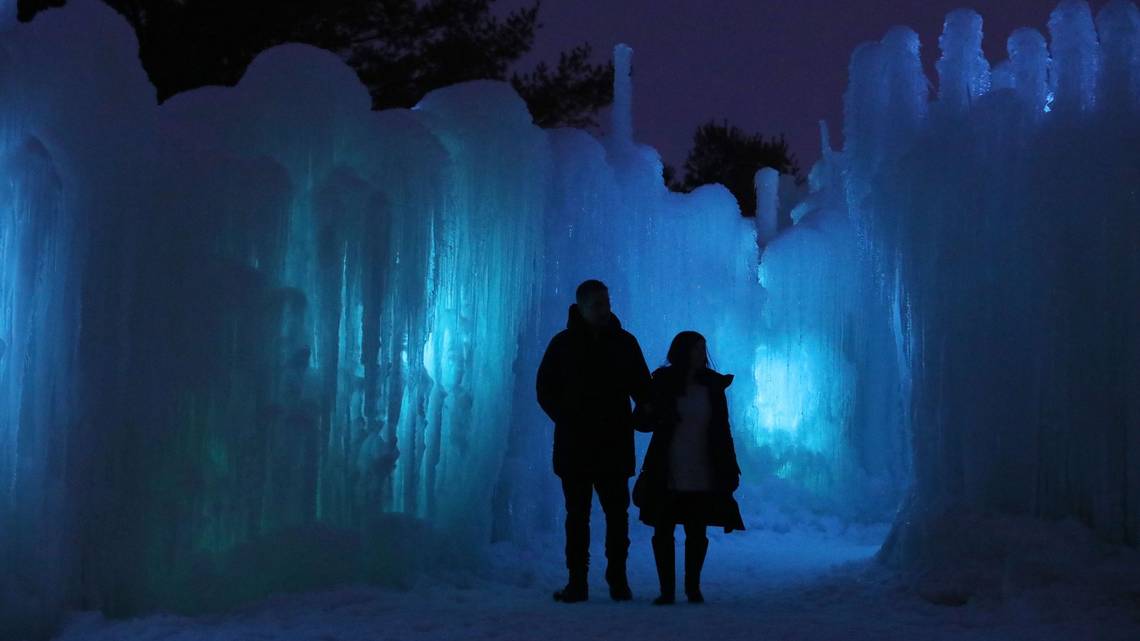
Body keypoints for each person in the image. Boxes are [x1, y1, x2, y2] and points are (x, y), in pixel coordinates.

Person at [536, 279, 653, 603]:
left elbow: (643, 389)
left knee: (615, 516)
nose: (605, 309)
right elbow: (544, 389)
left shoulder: (624, 343)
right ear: (582, 307)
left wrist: (644, 414)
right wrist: (569, 417)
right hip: (578, 445)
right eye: (598, 304)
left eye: (606, 302)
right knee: (579, 517)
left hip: (610, 443)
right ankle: (579, 581)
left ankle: (616, 578)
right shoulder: (563, 345)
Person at [633, 331, 744, 605]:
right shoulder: (663, 382)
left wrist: (729, 465)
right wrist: (649, 410)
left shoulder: (712, 386)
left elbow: (722, 429)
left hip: (702, 465)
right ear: (683, 352)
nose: (701, 354)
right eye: (696, 349)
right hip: (668, 464)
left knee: (696, 529)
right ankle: (667, 590)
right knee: (664, 528)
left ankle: (692, 588)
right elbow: (642, 421)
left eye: (703, 349)